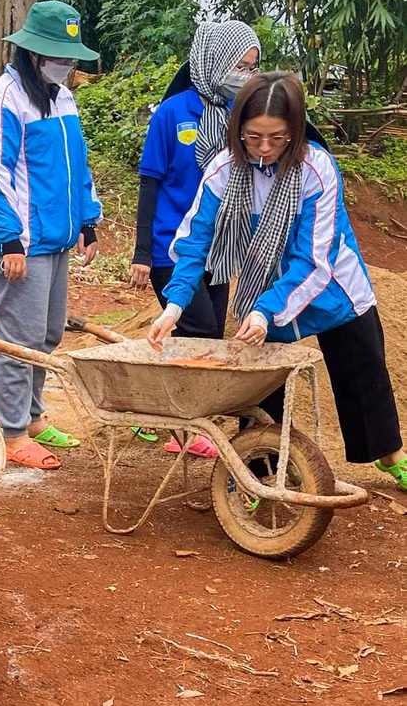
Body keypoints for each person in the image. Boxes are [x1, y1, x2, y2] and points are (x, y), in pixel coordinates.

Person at [148, 71, 407, 492]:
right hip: (262, 289)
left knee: (364, 376)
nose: (265, 148)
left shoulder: (315, 168)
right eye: (253, 136)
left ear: (296, 130)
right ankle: (260, 470)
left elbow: (313, 260)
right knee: (262, 387)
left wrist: (268, 309)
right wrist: (174, 305)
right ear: (237, 130)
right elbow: (194, 242)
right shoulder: (224, 168)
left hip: (334, 290)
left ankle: (391, 457)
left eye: (277, 137)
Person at [0, 0, 101, 470]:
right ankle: (10, 432)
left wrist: (87, 221)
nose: (65, 65)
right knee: (18, 338)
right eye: (58, 56)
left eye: (69, 57)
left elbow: (77, 168)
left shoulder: (62, 97)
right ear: (32, 53)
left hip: (60, 238)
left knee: (46, 336)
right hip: (23, 243)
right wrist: (10, 240)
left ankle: (32, 417)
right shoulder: (4, 99)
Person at [130, 20, 260, 457]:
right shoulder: (172, 113)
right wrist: (141, 253)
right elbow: (150, 183)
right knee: (198, 328)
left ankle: (180, 421)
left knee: (209, 335)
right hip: (171, 246)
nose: (243, 75)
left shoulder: (238, 119)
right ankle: (181, 427)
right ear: (214, 61)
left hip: (219, 249)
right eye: (237, 65)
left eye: (251, 67)